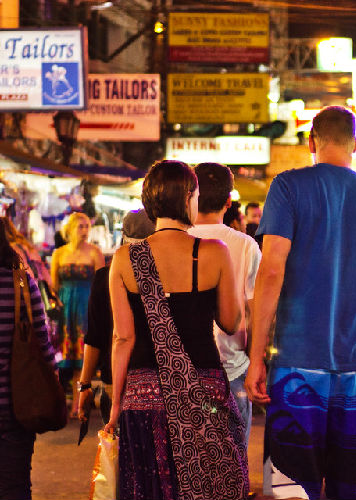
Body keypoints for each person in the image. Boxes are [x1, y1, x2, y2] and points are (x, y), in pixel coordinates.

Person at [244, 106, 356, 500]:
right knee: (355, 487)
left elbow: (271, 273)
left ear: (311, 141)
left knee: (292, 489)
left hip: (296, 365)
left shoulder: (287, 187)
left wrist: (256, 355)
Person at [104, 160, 249, 500]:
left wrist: (115, 406)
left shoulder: (125, 258)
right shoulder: (214, 252)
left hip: (142, 400)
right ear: (188, 198)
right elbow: (231, 322)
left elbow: (122, 338)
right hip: (204, 395)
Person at [189, 162, 261, 447]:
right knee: (234, 463)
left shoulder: (174, 241)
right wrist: (257, 360)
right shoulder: (245, 245)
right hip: (233, 368)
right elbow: (255, 312)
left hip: (185, 371)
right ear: (229, 201)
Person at [77, 209, 155, 424]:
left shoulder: (105, 277)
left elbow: (94, 336)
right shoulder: (167, 276)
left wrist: (84, 385)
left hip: (115, 379)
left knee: (119, 453)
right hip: (158, 381)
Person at [0, 218, 56, 500]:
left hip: (14, 409)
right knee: (15, 486)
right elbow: (42, 342)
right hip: (16, 407)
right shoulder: (21, 280)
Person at [50, 211, 104, 417]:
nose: (84, 231)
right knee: (67, 359)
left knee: (84, 358)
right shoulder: (59, 254)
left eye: (87, 226)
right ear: (70, 229)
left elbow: (101, 284)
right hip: (66, 309)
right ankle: (69, 401)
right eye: (80, 226)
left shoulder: (94, 252)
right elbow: (54, 285)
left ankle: (78, 402)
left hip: (86, 306)